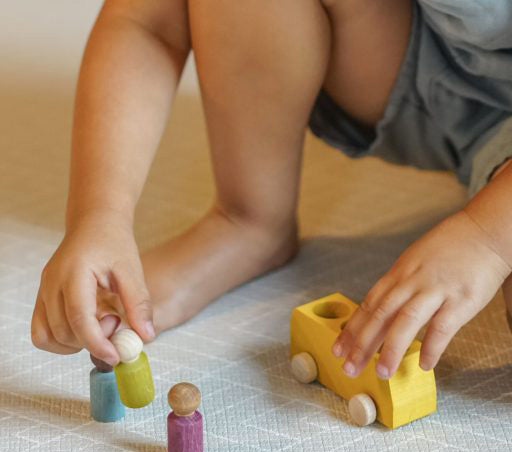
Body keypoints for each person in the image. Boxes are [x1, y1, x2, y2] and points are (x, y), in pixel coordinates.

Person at [31, 0, 512, 381]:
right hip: (412, 63)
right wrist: (100, 216)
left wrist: (488, 236)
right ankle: (248, 217)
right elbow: (146, 22)